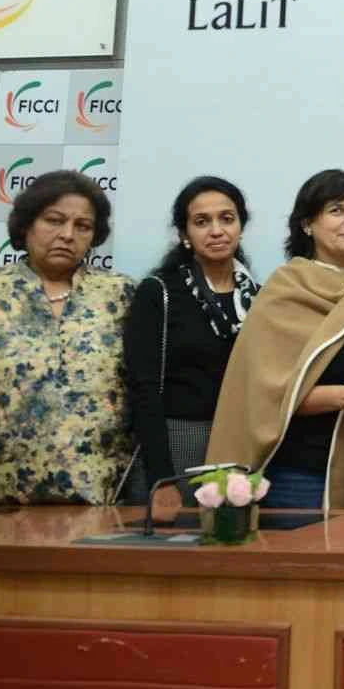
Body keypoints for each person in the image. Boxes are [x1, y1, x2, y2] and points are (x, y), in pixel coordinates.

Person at [0, 170, 133, 504]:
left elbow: (143, 386)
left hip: (94, 494)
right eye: (54, 220)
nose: (67, 234)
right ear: (26, 225)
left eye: (82, 226)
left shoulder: (121, 296)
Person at [207, 169, 344, 510]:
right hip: (300, 474)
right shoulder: (285, 290)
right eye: (337, 211)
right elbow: (264, 397)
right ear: (307, 224)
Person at [124, 176, 262, 518]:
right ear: (184, 233)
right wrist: (161, 476)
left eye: (226, 219)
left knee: (234, 542)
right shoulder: (159, 292)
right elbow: (143, 388)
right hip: (177, 446)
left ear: (241, 226)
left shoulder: (259, 297)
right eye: (202, 222)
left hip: (241, 447)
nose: (216, 231)